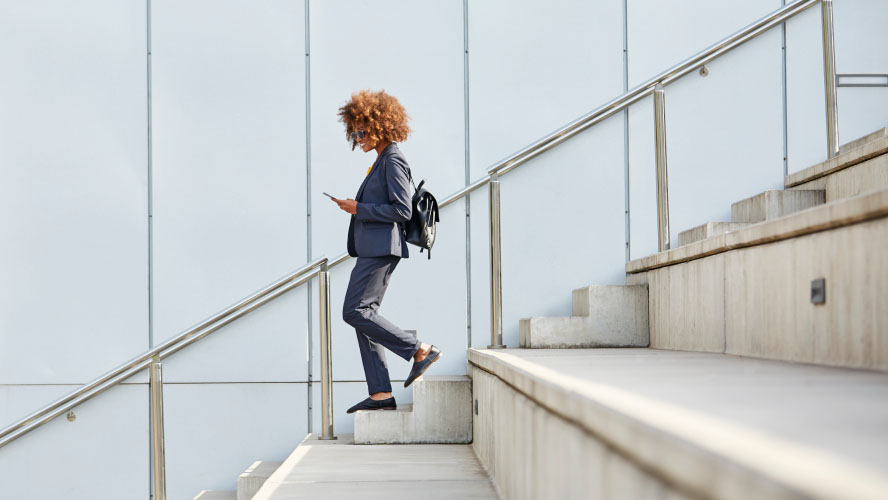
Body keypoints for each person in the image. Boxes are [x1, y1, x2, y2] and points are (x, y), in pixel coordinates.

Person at [330, 90, 441, 414]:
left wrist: (358, 208)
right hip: (372, 248)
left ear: (381, 125)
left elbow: (402, 210)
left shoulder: (392, 159)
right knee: (364, 317)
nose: (357, 137)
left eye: (362, 131)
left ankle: (420, 350)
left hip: (381, 249)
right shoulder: (381, 160)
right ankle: (380, 393)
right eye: (354, 132)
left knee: (356, 312)